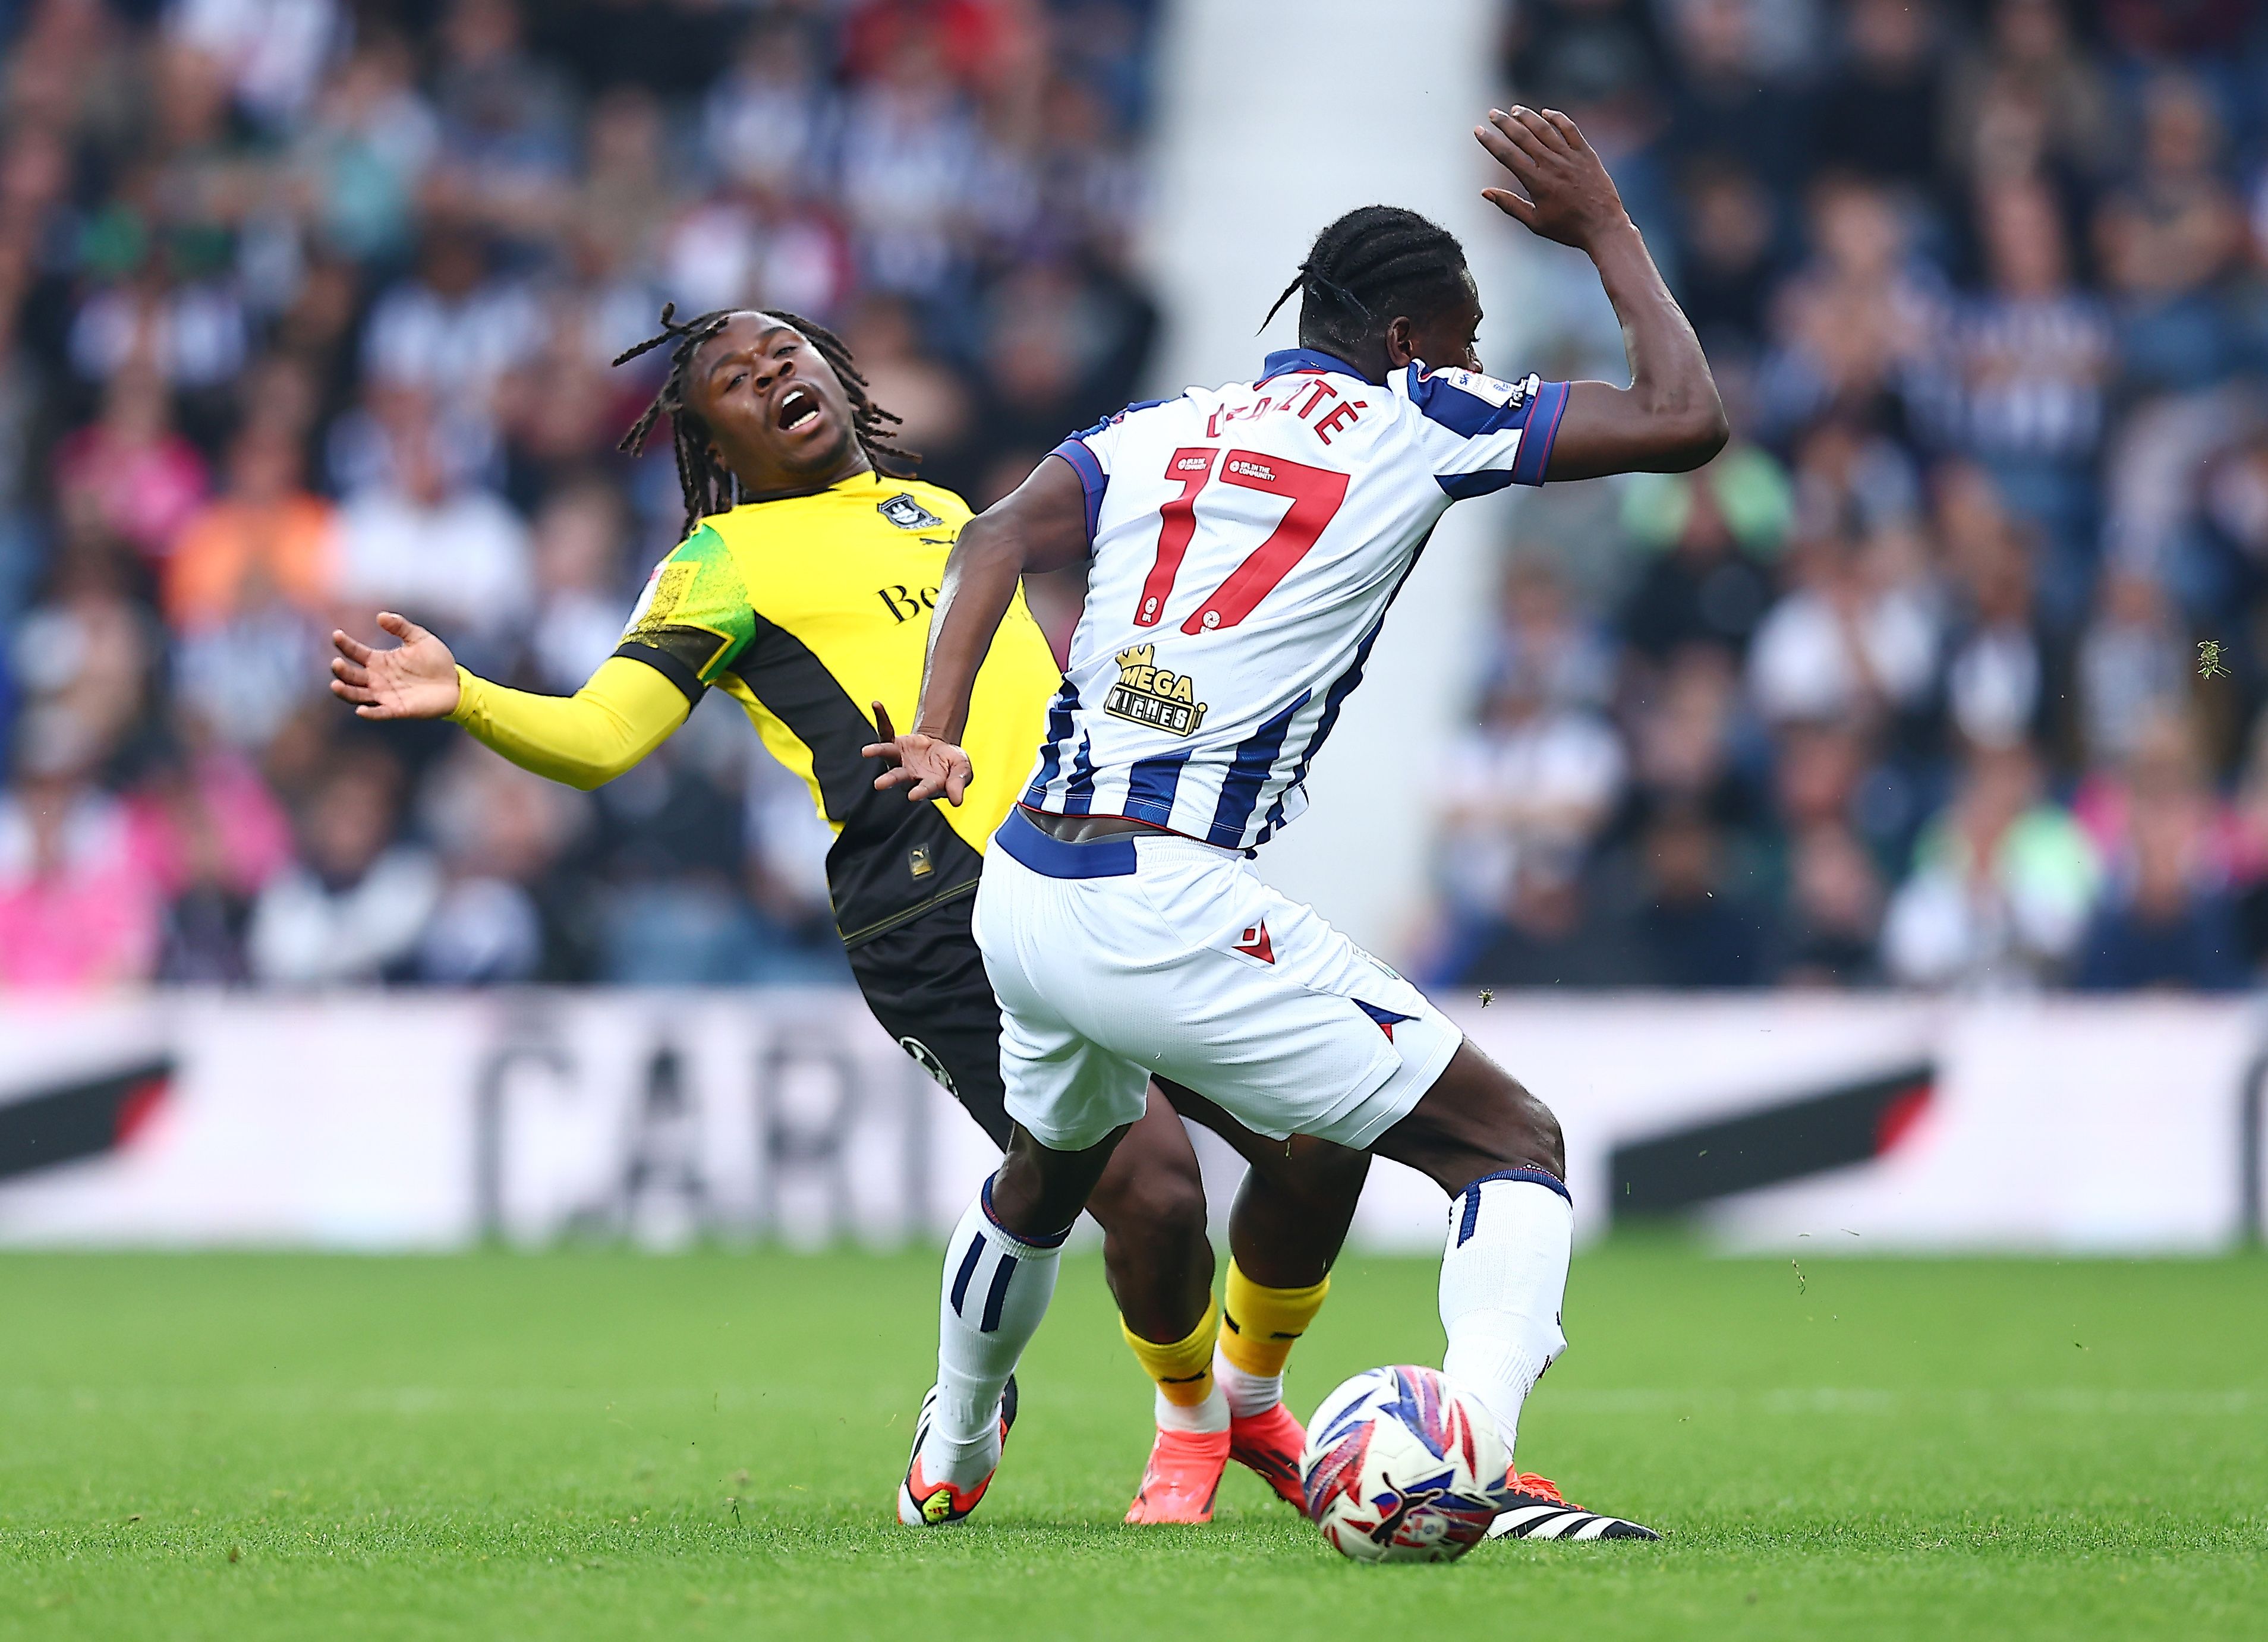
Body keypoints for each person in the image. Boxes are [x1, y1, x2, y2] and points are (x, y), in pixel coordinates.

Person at [325, 304, 1371, 1524]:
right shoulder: (719, 562)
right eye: (733, 378)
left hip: (1099, 867)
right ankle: (1186, 1426)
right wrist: (469, 695)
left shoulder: (942, 513)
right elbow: (605, 737)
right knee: (1151, 1188)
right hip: (933, 905)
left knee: (1321, 1122)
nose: (772, 374)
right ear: (706, 431)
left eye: (787, 353)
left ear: (835, 370)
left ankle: (1223, 1399)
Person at [867, 106, 1727, 1540]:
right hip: (1157, 892)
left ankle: (950, 1449)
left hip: (1021, 883)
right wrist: (1606, 233)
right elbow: (1687, 418)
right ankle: (1475, 1461)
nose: (1471, 364)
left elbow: (995, 534)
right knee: (1510, 1139)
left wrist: (943, 722)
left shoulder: (1158, 429)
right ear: (1405, 340)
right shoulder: (1423, 416)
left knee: (1047, 1170)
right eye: (1457, 338)